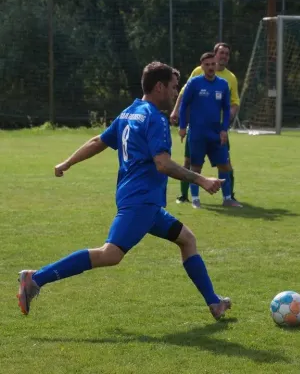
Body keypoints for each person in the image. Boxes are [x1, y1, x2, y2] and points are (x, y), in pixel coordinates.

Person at [17, 62, 232, 319]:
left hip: (142, 201)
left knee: (187, 239)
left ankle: (214, 303)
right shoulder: (155, 118)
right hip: (140, 201)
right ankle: (35, 278)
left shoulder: (130, 112)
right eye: (174, 88)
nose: (176, 94)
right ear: (160, 87)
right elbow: (162, 163)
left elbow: (99, 141)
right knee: (110, 254)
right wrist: (200, 180)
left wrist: (68, 162)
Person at [170, 42, 241, 203]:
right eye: (221, 53)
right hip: (196, 130)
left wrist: (225, 126)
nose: (223, 56)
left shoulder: (228, 80)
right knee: (191, 163)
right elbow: (183, 97)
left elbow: (232, 103)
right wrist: (180, 121)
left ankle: (229, 198)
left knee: (225, 163)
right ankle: (189, 197)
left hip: (217, 131)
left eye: (226, 54)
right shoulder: (196, 76)